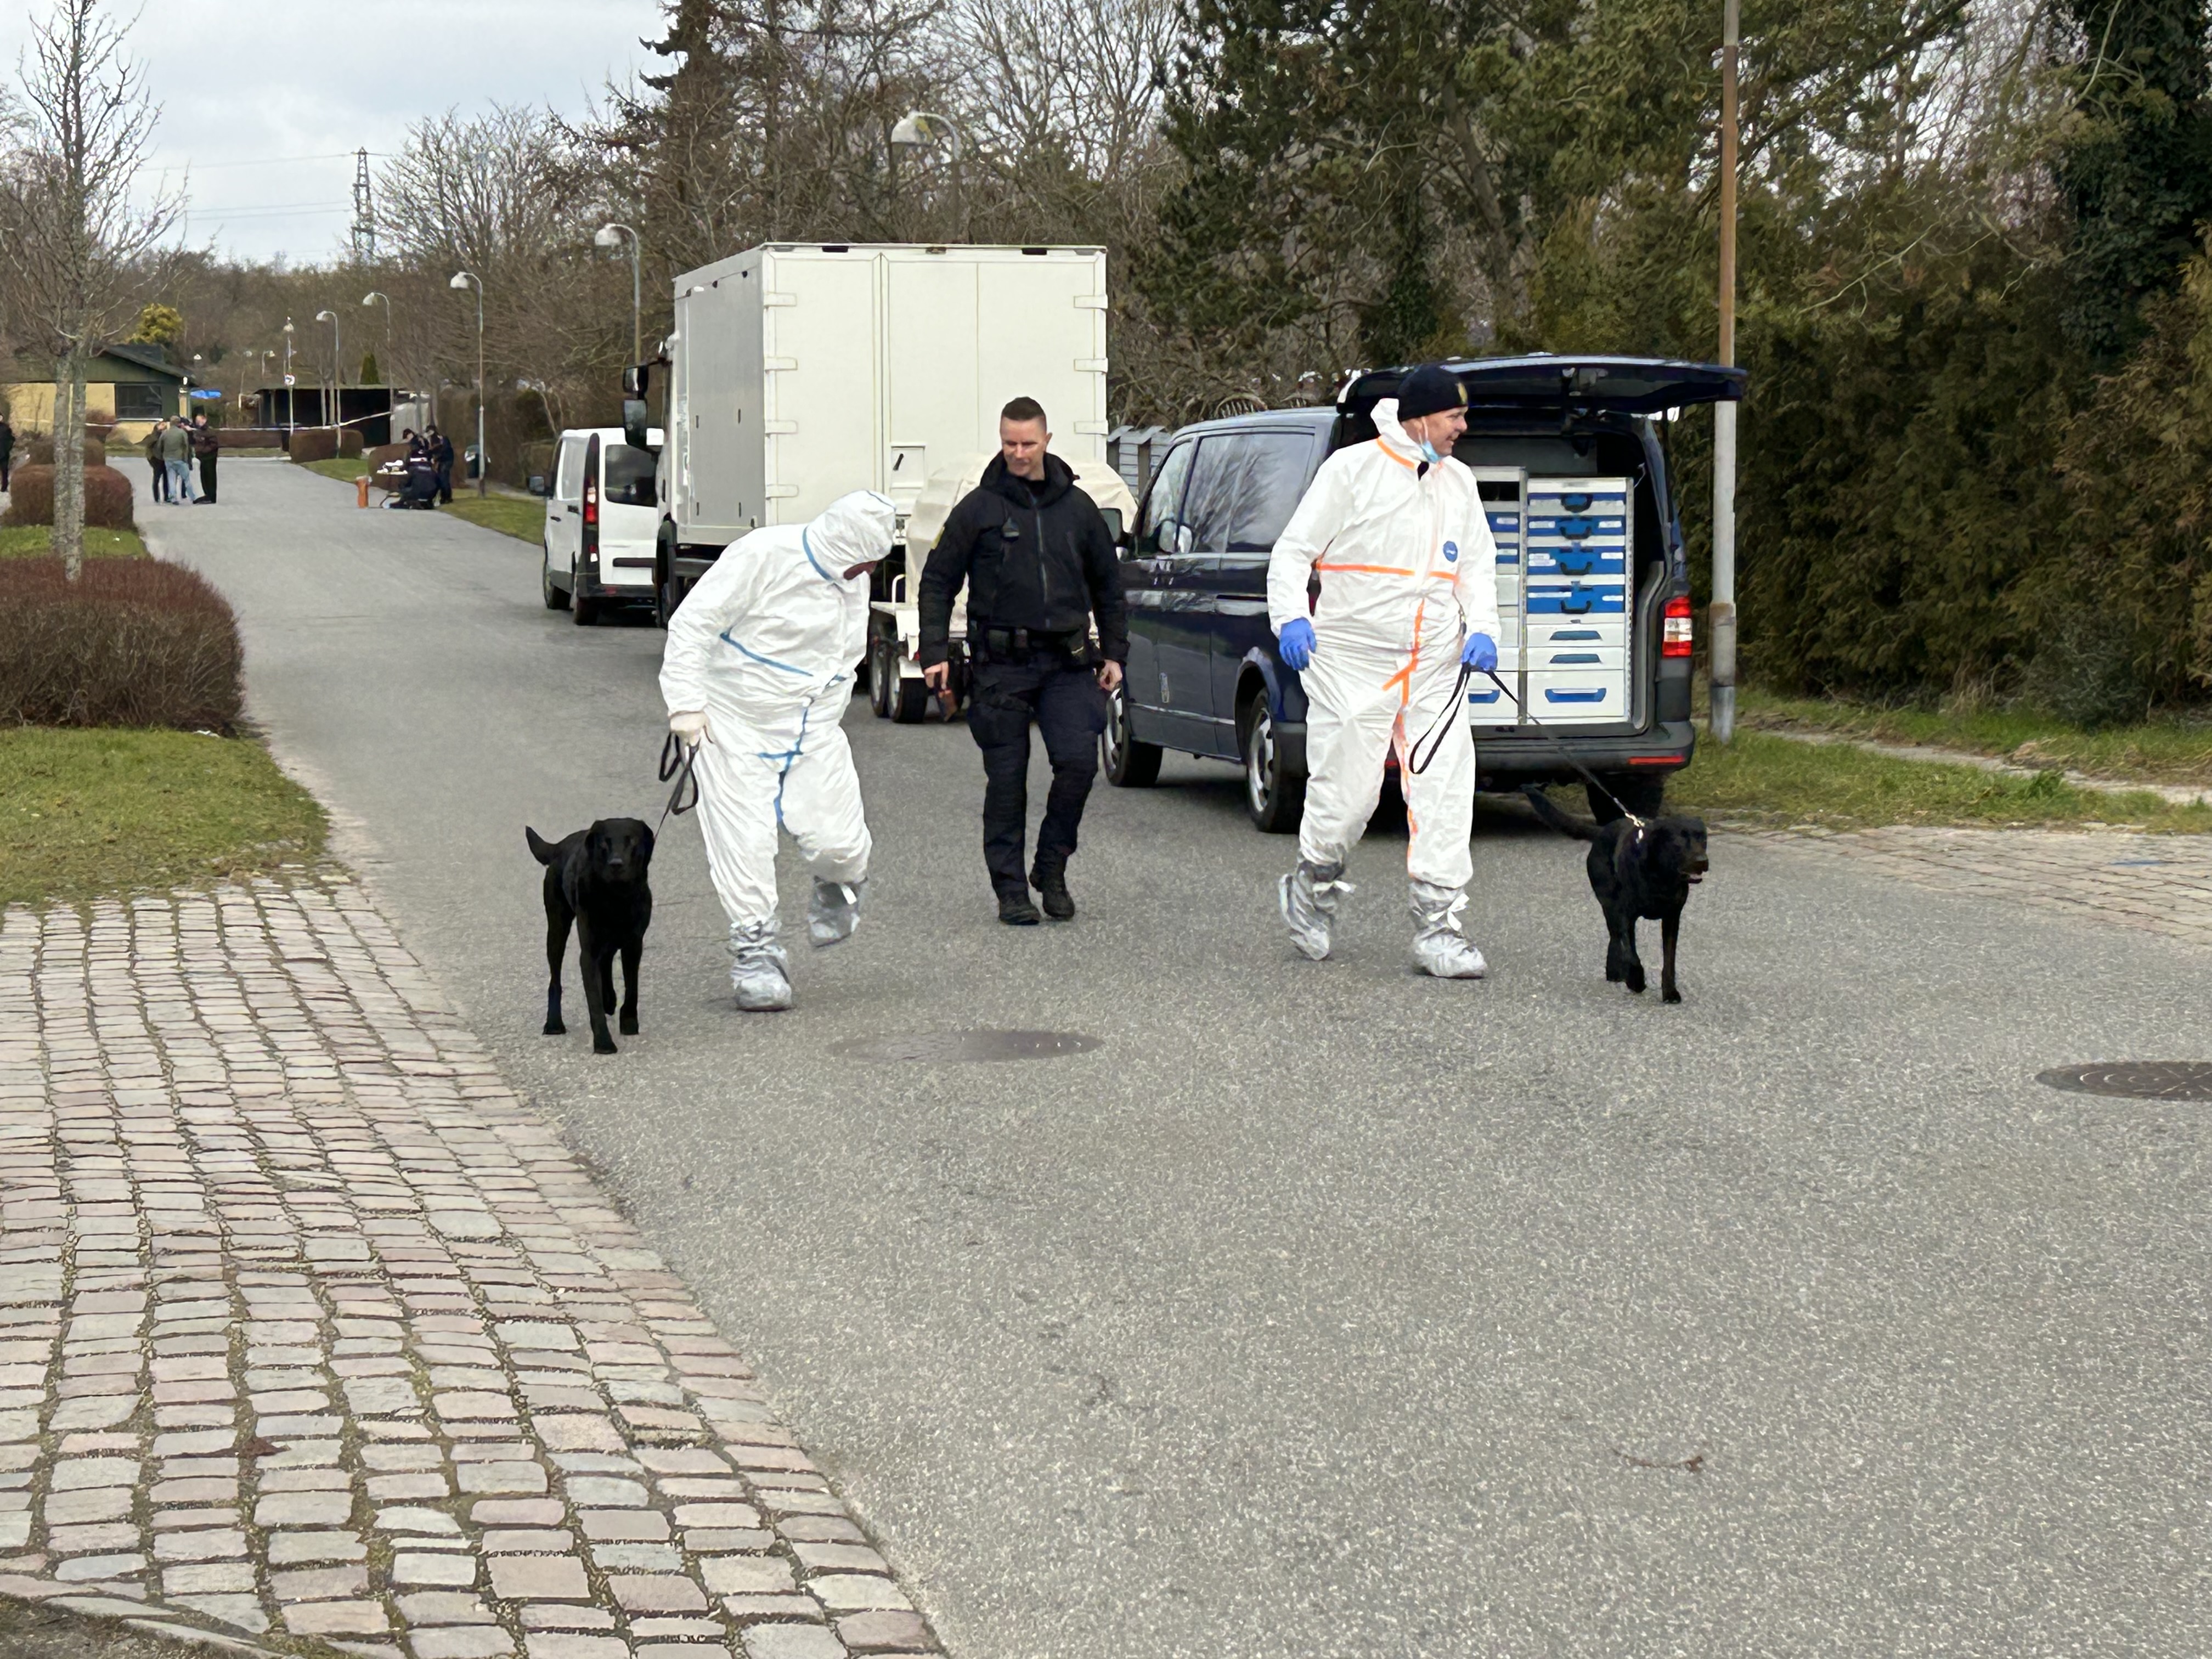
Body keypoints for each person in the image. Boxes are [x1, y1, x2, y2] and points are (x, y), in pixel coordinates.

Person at [1267, 363, 1501, 977]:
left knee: (1445, 792)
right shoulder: (1351, 471)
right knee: (1347, 797)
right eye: (1455, 416)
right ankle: (1312, 891)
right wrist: (1292, 617)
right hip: (1354, 662)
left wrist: (1482, 629)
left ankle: (1439, 930)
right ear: (1421, 416)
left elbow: (1477, 568)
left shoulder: (1459, 484)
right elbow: (1292, 552)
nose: (1462, 428)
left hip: (1435, 665)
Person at [659, 490, 895, 1011]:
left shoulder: (850, 578)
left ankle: (839, 887)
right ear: (845, 547)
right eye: (865, 562)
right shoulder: (762, 556)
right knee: (744, 843)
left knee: (843, 840)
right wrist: (686, 707)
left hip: (814, 730)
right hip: (737, 727)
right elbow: (692, 625)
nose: (869, 571)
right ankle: (756, 954)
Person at [917, 397, 1128, 926]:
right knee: (1007, 781)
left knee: (1079, 765)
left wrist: (1116, 654)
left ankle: (1051, 867)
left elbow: (1109, 587)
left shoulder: (1078, 509)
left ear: (1047, 442)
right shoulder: (979, 509)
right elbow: (938, 580)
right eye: (1009, 442)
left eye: (1027, 443)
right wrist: (936, 650)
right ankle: (1010, 889)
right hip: (1001, 666)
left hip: (1067, 662)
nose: (1018, 452)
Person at [157, 414, 195, 504]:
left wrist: (163, 455)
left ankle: (173, 497)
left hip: (168, 459)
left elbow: (159, 446)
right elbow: (186, 446)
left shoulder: (165, 433)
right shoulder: (182, 433)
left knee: (171, 479)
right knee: (186, 479)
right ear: (179, 423)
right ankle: (193, 497)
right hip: (180, 459)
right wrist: (186, 459)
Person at [190, 412, 218, 505]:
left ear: (205, 420)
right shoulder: (199, 431)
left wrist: (203, 451)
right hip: (202, 458)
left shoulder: (210, 432)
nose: (198, 422)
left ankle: (211, 496)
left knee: (210, 477)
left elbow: (214, 445)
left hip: (210, 458)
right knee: (203, 476)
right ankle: (206, 495)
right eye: (197, 421)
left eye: (200, 420)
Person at [144, 419, 170, 504]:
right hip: (155, 459)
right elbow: (151, 443)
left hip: (165, 459)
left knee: (166, 478)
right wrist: (158, 431)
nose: (163, 426)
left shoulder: (166, 435)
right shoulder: (152, 436)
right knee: (157, 478)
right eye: (161, 425)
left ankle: (166, 497)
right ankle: (156, 497)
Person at [430, 426, 455, 503]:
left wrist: (435, 459)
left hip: (446, 461)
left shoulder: (442, 440)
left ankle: (447, 498)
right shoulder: (440, 440)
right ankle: (445, 497)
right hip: (444, 461)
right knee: (443, 479)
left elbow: (443, 451)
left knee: (444, 479)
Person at [0, 413, 14, 494]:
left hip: (4, 453)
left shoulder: (6, 428)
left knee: (4, 471)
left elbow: (11, 439)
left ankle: (4, 487)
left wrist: (7, 449)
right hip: (4, 452)